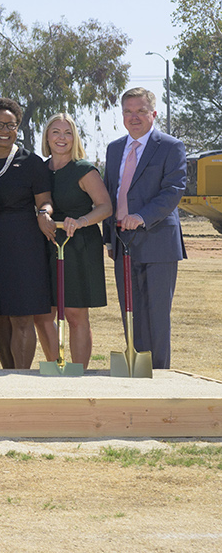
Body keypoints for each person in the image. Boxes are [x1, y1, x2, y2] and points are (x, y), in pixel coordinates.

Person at [102, 87, 187, 369]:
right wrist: (109, 239)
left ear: (153, 113)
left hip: (158, 240)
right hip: (122, 242)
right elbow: (109, 194)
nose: (133, 117)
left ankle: (160, 374)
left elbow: (173, 191)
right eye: (128, 111)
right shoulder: (114, 149)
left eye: (140, 111)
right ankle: (136, 371)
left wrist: (141, 216)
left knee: (157, 314)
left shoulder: (170, 146)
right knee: (131, 311)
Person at [0, 98, 57, 369]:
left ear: (18, 127)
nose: (5, 130)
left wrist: (44, 213)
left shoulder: (32, 163)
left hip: (24, 247)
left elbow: (44, 201)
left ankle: (21, 380)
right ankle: (6, 376)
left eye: (11, 125)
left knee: (22, 317)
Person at [42, 113, 111, 368]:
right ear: (47, 137)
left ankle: (79, 374)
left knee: (74, 313)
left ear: (75, 138)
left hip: (78, 246)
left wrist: (81, 220)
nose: (62, 138)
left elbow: (105, 207)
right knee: (44, 313)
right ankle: (54, 368)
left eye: (68, 132)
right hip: (47, 246)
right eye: (56, 132)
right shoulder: (40, 169)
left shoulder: (84, 169)